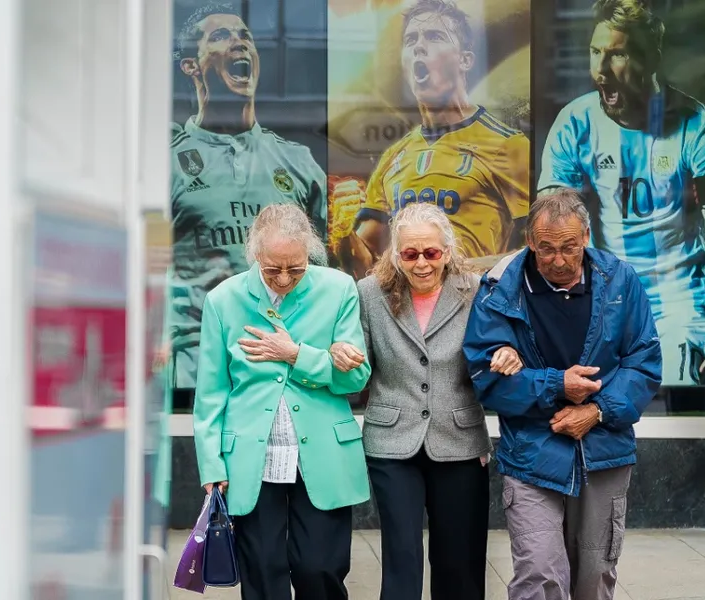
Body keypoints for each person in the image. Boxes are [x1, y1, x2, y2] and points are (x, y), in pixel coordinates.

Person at [463, 189, 662, 600]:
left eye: (569, 247)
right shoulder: (502, 289)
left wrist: (597, 411)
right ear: (531, 242)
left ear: (586, 237)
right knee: (539, 574)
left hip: (603, 450)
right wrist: (556, 384)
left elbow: (643, 363)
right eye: (547, 248)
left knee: (594, 578)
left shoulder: (620, 279)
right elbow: (487, 378)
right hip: (533, 453)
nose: (558, 259)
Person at [538, 0, 705, 386]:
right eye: (595, 52)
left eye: (617, 55)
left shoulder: (702, 128)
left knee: (679, 383)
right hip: (603, 298)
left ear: (650, 58)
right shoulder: (574, 125)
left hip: (680, 299)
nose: (599, 69)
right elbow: (553, 227)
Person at [338, 202, 516, 600]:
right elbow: (356, 377)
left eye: (431, 253)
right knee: (402, 559)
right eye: (410, 254)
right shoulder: (368, 293)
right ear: (395, 254)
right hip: (392, 441)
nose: (421, 263)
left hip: (459, 439)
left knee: (460, 563)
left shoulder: (476, 291)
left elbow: (497, 346)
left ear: (447, 251)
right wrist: (344, 359)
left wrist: (507, 353)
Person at [193, 204, 370, 600]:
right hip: (250, 455)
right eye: (274, 269)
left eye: (297, 267)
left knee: (319, 567)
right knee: (263, 569)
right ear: (254, 256)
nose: (286, 278)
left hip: (322, 451)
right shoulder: (224, 300)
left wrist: (295, 354)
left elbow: (355, 379)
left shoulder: (338, 289)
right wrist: (210, 463)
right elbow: (210, 394)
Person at [168, 1, 327, 395]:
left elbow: (326, 271)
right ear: (191, 65)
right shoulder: (166, 162)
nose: (239, 44)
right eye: (221, 36)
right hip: (194, 359)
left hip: (282, 358)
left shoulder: (298, 162)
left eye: (246, 37)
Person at [331, 0, 530, 279]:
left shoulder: (508, 145)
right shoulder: (393, 158)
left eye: (434, 37)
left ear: (465, 60)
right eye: (411, 40)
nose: (418, 47)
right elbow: (365, 268)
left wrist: (458, 270)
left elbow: (534, 252)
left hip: (471, 310)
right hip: (406, 314)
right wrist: (343, 234)